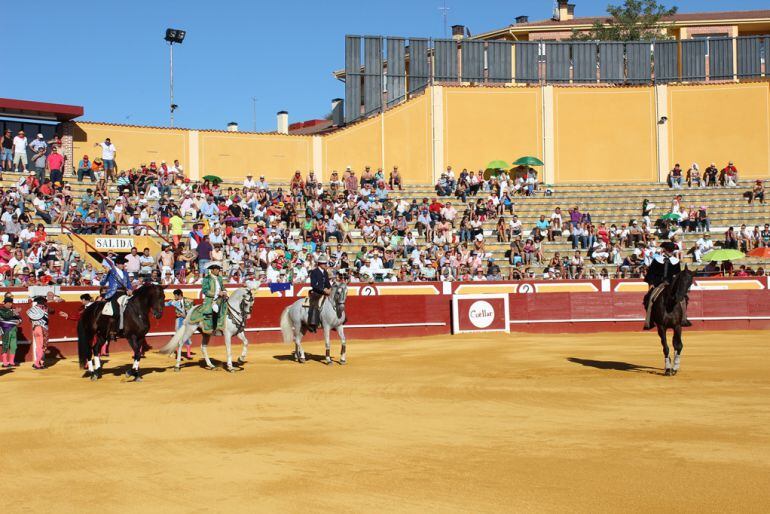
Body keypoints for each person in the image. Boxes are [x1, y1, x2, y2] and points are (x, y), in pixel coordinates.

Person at [642, 241, 692, 330]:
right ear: (664, 250)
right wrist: (652, 283)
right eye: (669, 250)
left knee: (683, 299)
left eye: (671, 250)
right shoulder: (657, 260)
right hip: (659, 284)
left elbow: (678, 276)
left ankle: (684, 318)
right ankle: (649, 321)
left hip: (671, 285)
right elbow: (651, 273)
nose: (670, 252)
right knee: (649, 298)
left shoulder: (675, 261)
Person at [189, 263, 227, 334]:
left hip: (220, 298)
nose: (218, 270)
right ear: (212, 270)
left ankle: (223, 327)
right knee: (213, 310)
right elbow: (205, 291)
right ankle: (213, 328)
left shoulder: (219, 278)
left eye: (219, 269)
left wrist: (224, 291)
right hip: (211, 300)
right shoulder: (206, 279)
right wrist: (216, 293)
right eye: (217, 269)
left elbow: (222, 287)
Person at [100, 256, 133, 330]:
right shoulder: (111, 271)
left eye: (123, 263)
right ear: (117, 264)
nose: (123, 265)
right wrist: (106, 273)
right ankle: (112, 329)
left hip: (124, 294)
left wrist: (130, 289)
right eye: (121, 264)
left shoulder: (125, 273)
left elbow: (129, 284)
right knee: (116, 312)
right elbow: (102, 283)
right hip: (114, 293)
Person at [166, 289, 194, 359]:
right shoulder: (173, 302)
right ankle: (178, 354)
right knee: (178, 336)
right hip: (179, 320)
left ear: (179, 295)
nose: (174, 297)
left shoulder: (189, 301)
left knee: (187, 336)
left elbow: (192, 311)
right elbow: (165, 304)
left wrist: (187, 316)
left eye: (175, 295)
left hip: (187, 320)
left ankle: (188, 354)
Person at [307, 254, 331, 333]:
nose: (325, 265)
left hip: (325, 292)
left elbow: (327, 283)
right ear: (319, 264)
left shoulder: (325, 272)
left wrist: (330, 289)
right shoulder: (314, 272)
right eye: (324, 263)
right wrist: (323, 290)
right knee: (315, 305)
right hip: (316, 292)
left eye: (325, 263)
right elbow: (313, 285)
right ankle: (312, 324)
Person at [26, 296, 51, 369]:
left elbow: (30, 320)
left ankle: (41, 363)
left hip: (35, 328)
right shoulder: (45, 308)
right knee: (43, 347)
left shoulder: (33, 309)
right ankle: (37, 363)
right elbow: (52, 311)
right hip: (42, 329)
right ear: (43, 302)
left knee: (38, 347)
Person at [0, 294, 21, 367]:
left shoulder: (13, 310)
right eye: (8, 303)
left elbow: (19, 318)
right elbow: (6, 316)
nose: (10, 304)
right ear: (4, 303)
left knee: (14, 346)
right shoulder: (1, 310)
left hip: (14, 330)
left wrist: (19, 321)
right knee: (5, 345)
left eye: (11, 303)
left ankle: (11, 362)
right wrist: (14, 312)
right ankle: (5, 363)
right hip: (6, 329)